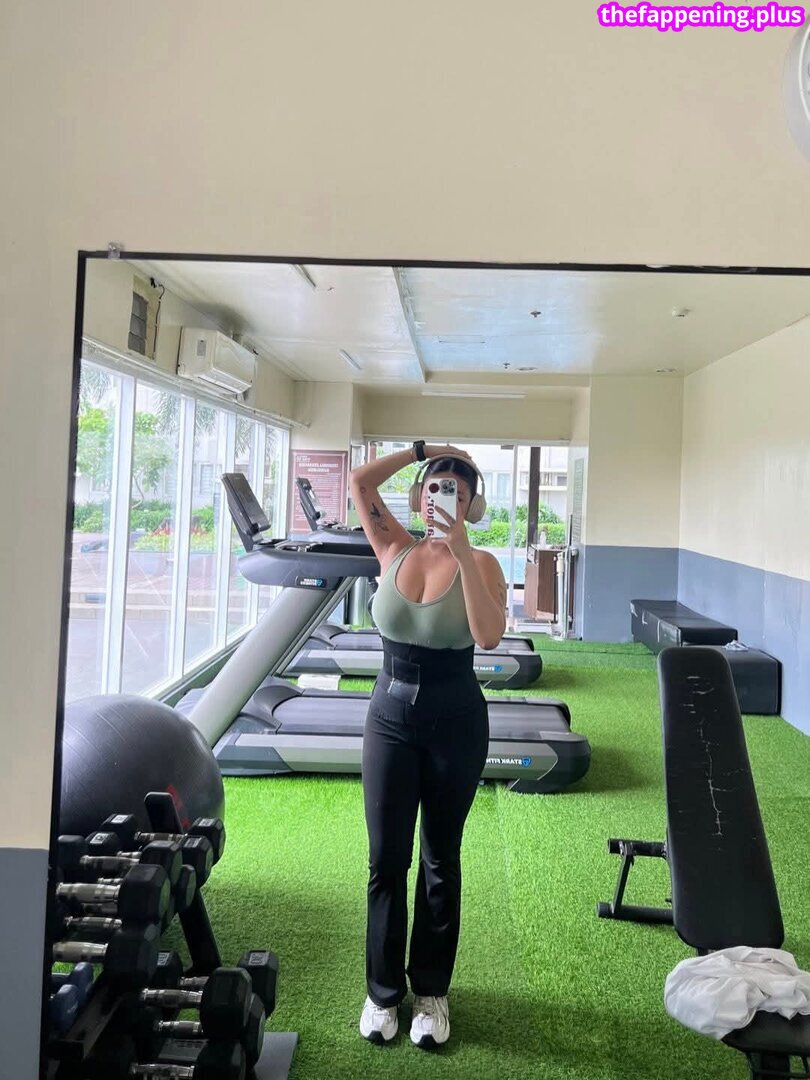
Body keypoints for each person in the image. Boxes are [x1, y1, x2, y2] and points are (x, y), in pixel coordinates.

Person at [349, 441, 507, 1049]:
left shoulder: (483, 562)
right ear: (419, 497)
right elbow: (361, 482)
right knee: (385, 860)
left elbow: (488, 637)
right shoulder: (392, 547)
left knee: (441, 859)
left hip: (455, 722)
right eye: (437, 487)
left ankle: (432, 993)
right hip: (389, 721)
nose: (445, 499)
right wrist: (426, 450)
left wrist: (462, 552)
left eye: (458, 494)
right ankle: (382, 993)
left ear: (472, 507)